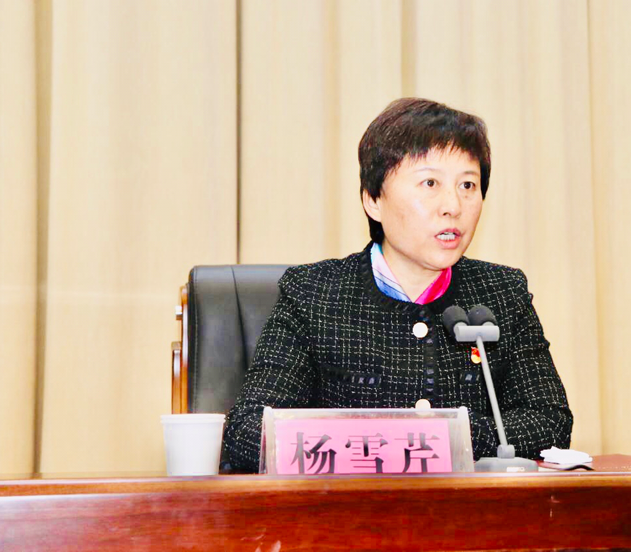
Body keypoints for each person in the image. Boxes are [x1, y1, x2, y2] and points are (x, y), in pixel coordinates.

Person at [223, 98, 572, 472]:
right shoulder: (313, 294)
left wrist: (446, 437)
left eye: (468, 185)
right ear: (373, 200)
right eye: (430, 183)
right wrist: (407, 442)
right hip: (348, 507)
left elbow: (550, 422)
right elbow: (248, 433)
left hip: (468, 508)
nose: (453, 206)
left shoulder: (502, 292)